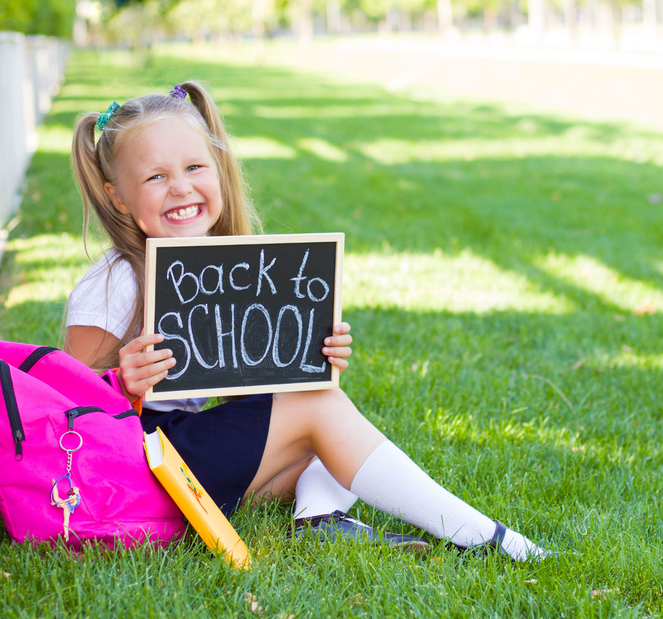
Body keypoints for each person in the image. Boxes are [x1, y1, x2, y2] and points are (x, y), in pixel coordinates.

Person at [63, 82, 547, 561]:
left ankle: (318, 521)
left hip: (182, 464)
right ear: (118, 197)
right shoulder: (116, 283)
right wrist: (121, 382)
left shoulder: (213, 265)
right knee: (320, 409)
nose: (181, 187)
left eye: (194, 167)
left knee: (326, 416)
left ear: (218, 169)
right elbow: (66, 416)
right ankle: (488, 538)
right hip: (137, 475)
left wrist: (308, 357)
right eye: (156, 177)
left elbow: (245, 390)